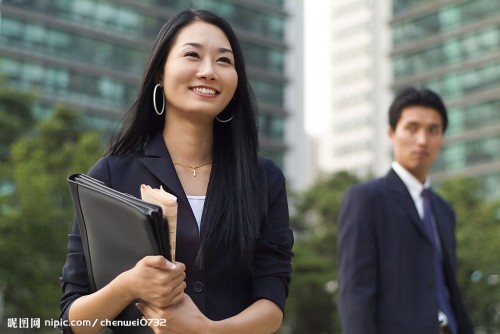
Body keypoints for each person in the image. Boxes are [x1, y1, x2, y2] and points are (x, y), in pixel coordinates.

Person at [60, 9, 293, 334]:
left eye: (224, 61)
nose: (209, 71)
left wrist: (206, 331)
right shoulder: (110, 176)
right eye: (192, 55)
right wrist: (129, 285)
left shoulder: (263, 179)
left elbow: (272, 303)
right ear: (160, 72)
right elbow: (73, 320)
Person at [337, 87, 474, 334]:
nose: (422, 140)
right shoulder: (366, 199)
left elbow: (447, 288)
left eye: (433, 130)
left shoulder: (444, 210)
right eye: (412, 128)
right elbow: (355, 293)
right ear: (392, 133)